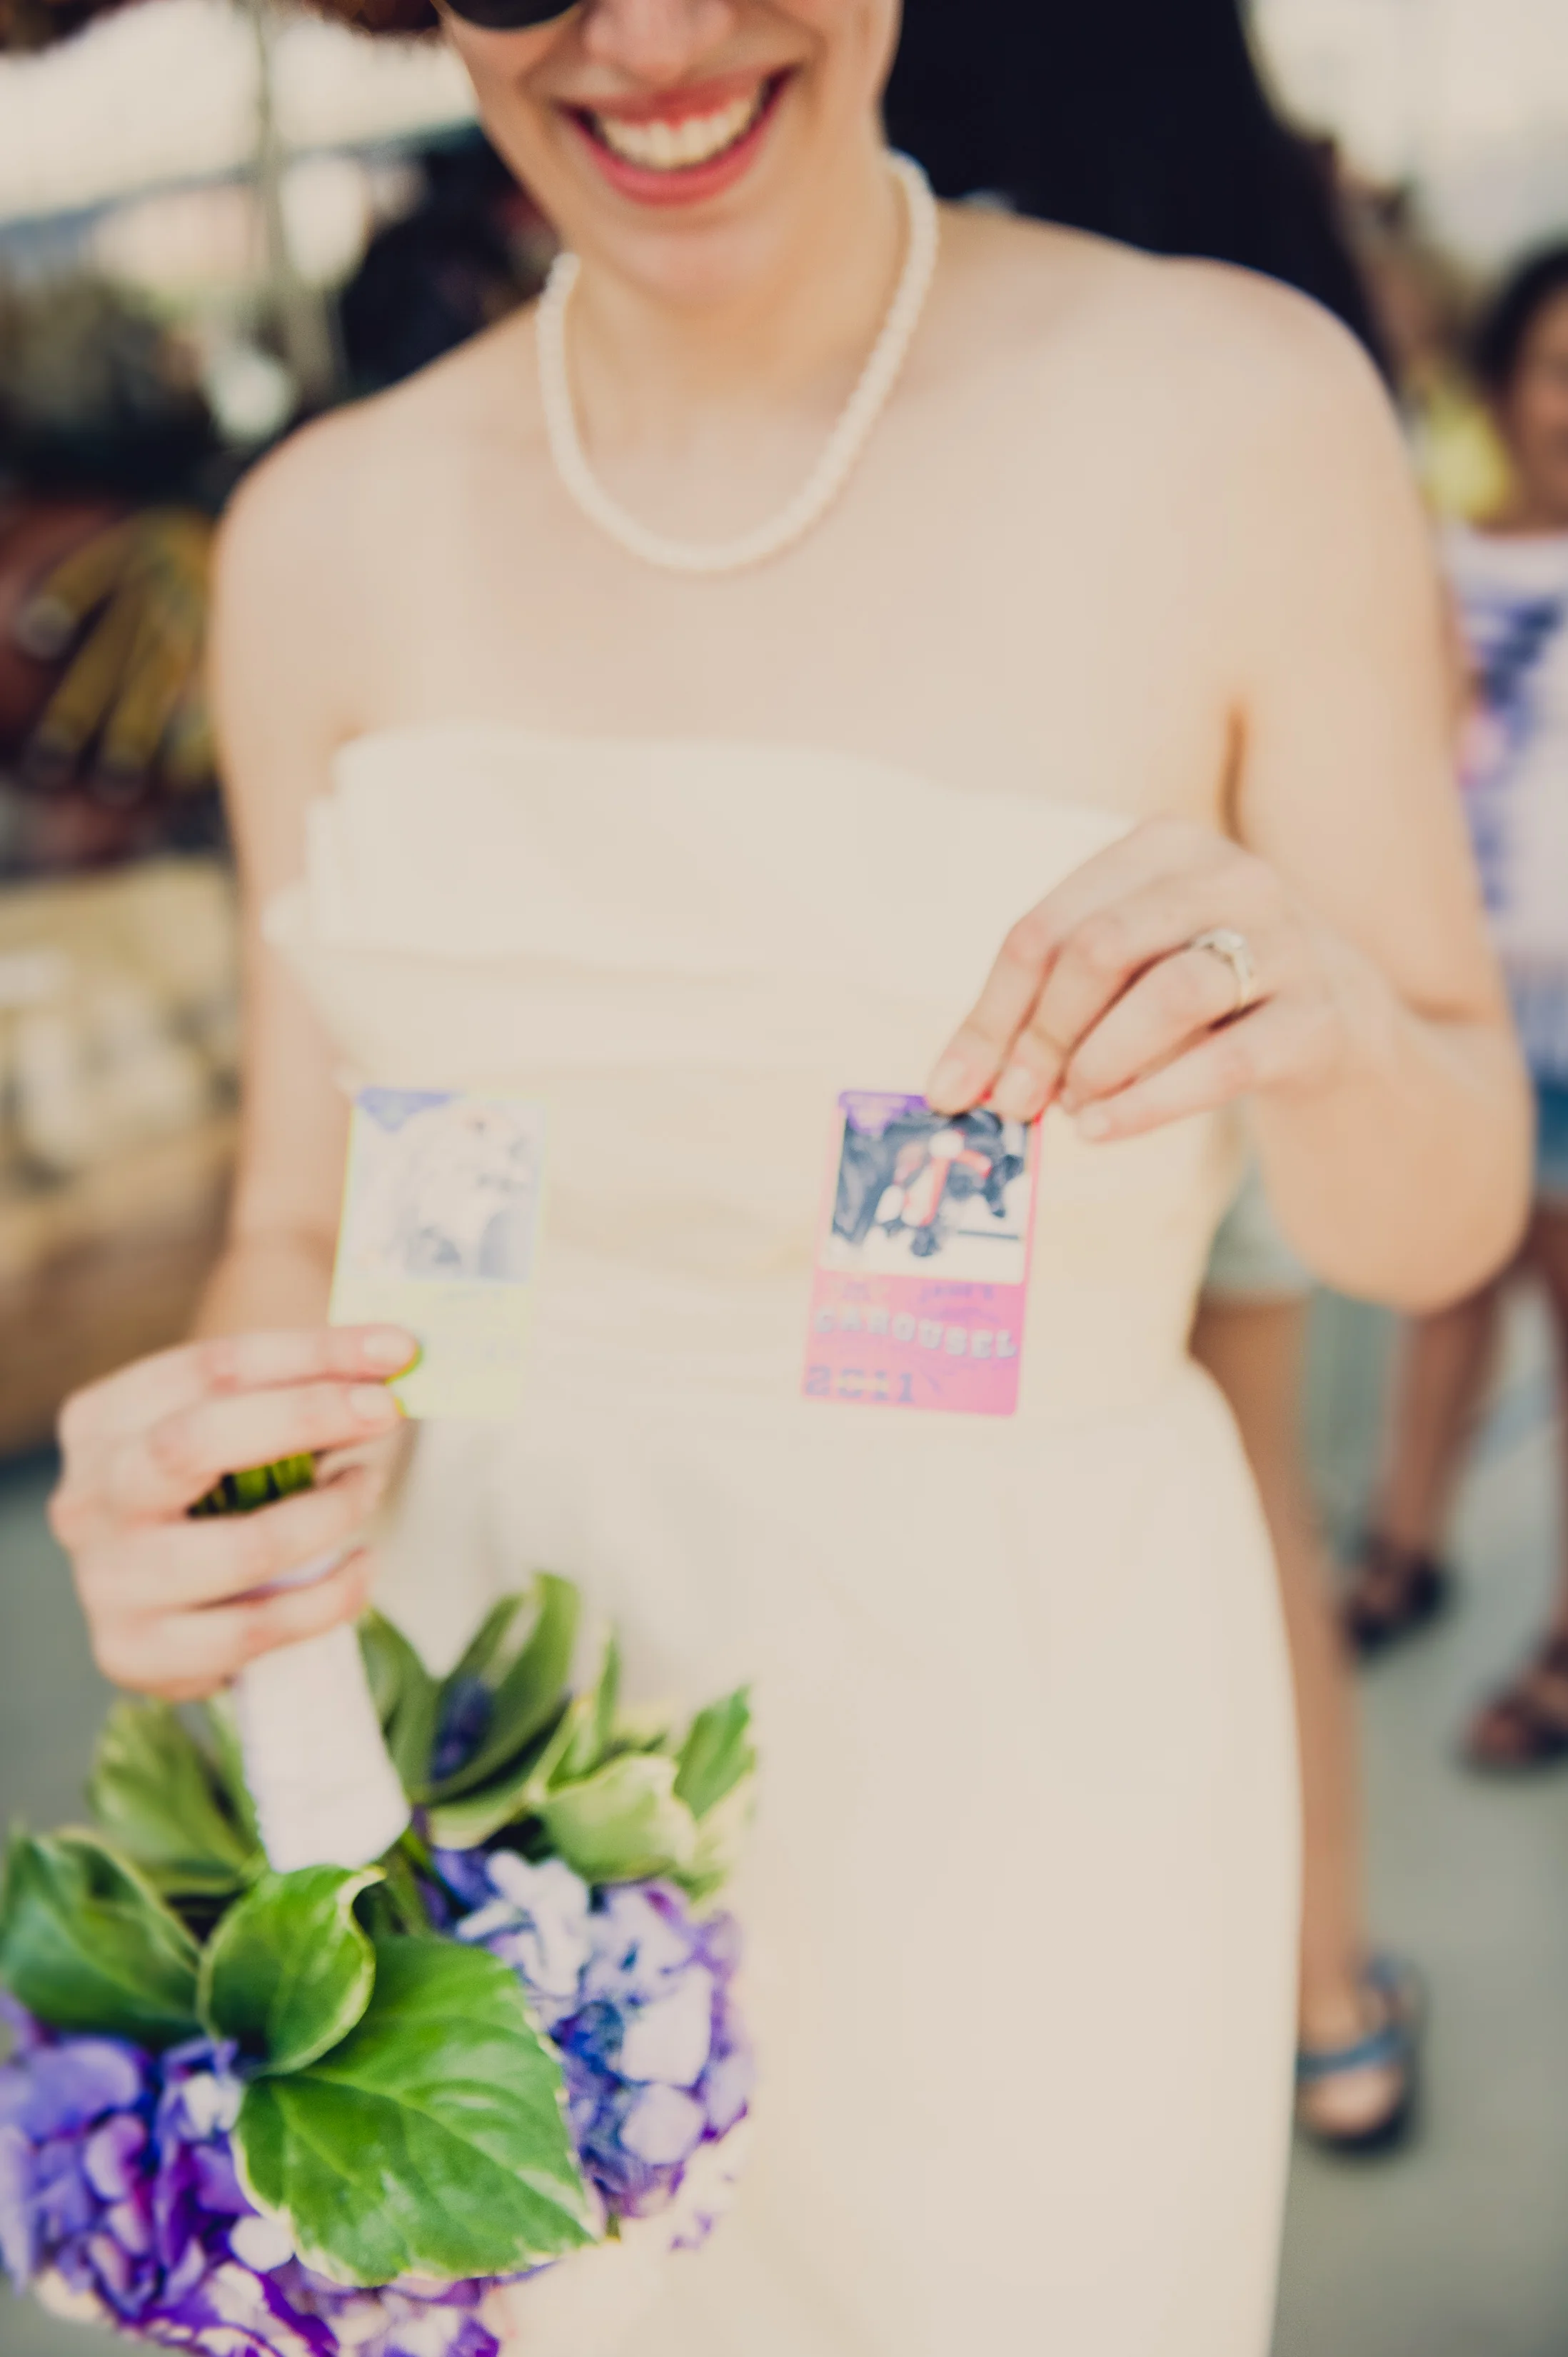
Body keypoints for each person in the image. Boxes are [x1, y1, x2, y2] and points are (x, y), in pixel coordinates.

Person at [46, 3, 1527, 2351]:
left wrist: (1326, 1016)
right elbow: (303, 1222)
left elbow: (1428, 1218)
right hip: (475, 1747)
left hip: (1021, 1750)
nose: (648, 35)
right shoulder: (324, 528)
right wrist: (211, 1501)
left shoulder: (1234, 412)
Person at [890, 0, 1422, 2153]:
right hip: (1246, 979)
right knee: (1244, 1500)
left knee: (990, 1502)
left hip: (985, 1017)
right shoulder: (1272, 297)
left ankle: (1062, 1998)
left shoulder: (936, 313)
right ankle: (1322, 1999)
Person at [1346, 246, 1568, 1773]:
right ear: (1501, 383)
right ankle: (1405, 1546)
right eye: (1557, 369)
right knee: (1442, 1284)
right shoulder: (1435, 563)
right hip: (1455, 983)